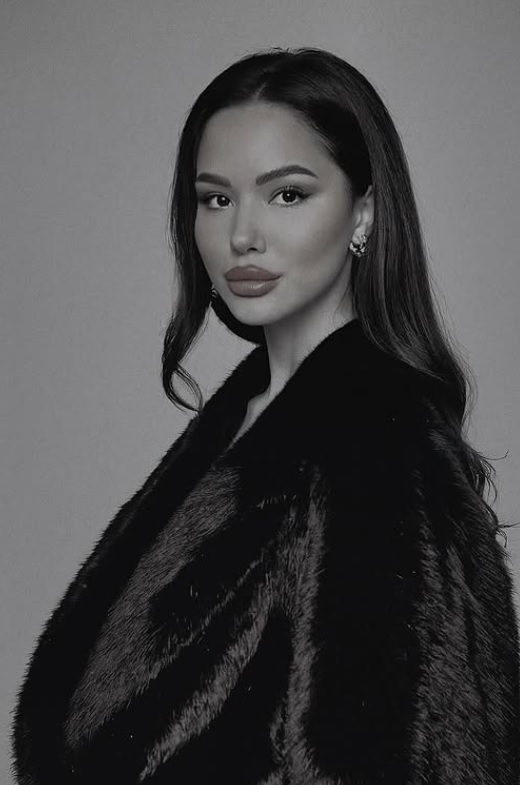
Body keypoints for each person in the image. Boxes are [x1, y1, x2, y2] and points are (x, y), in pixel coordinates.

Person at [12, 47, 520, 785]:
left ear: (365, 211)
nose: (241, 234)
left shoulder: (378, 451)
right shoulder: (244, 420)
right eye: (216, 199)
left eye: (286, 194)